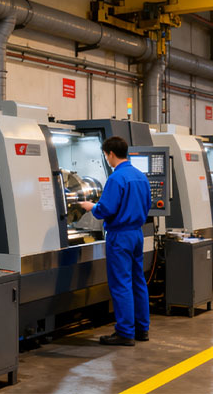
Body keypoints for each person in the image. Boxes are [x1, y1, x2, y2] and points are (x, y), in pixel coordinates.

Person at [80, 136, 151, 346]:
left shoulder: (116, 178)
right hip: (136, 234)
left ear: (110, 154)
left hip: (120, 236)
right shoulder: (140, 176)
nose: (107, 159)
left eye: (105, 155)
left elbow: (106, 209)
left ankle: (125, 332)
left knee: (121, 283)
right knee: (138, 281)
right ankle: (142, 329)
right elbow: (148, 205)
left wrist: (92, 207)